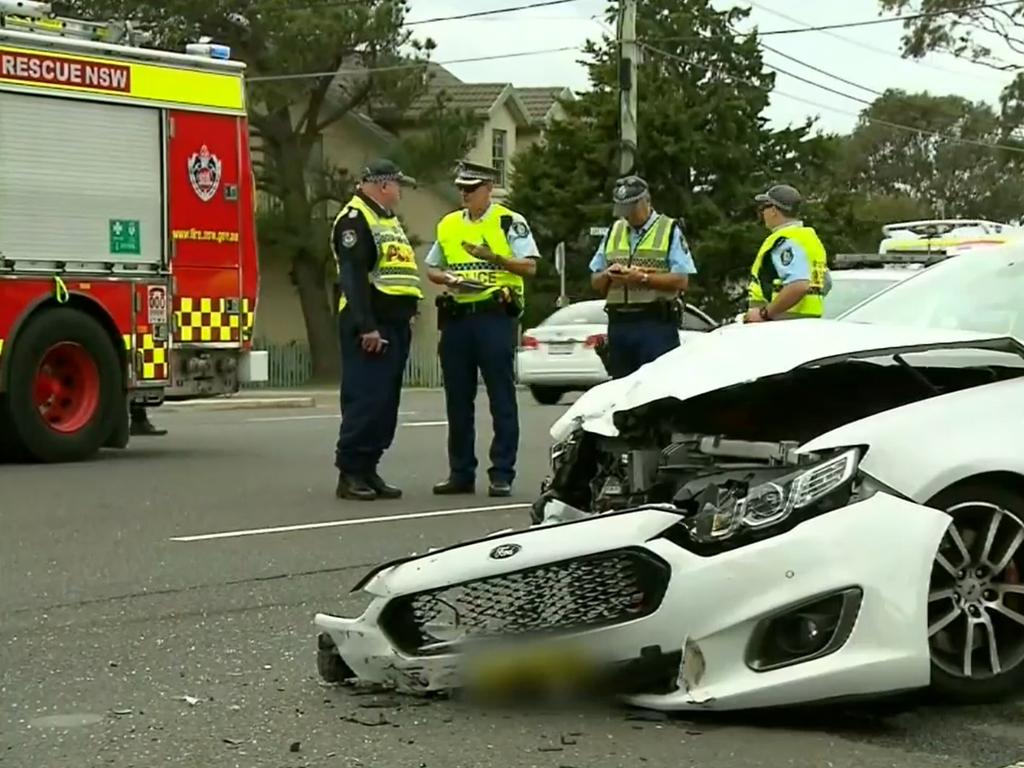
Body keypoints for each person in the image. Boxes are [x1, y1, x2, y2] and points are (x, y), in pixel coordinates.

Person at [425, 161, 539, 498]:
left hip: (495, 316)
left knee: (501, 398)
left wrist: (495, 258)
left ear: (488, 189)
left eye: (471, 189)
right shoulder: (448, 224)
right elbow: (432, 265)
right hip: (459, 316)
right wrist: (445, 277)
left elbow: (530, 266)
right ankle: (460, 472)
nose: (464, 194)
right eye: (461, 188)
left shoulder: (509, 221)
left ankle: (501, 472)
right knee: (457, 400)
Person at [331, 159, 422, 501]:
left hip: (394, 324)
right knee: (366, 398)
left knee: (386, 402)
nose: (400, 191)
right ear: (383, 185)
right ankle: (351, 471)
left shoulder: (386, 219)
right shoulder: (355, 220)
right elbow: (353, 277)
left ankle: (370, 467)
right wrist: (366, 326)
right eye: (398, 185)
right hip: (370, 326)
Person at [589, 175, 697, 378]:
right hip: (619, 324)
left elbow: (682, 280)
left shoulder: (668, 229)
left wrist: (642, 278)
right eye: (622, 210)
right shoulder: (615, 230)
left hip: (655, 323)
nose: (627, 215)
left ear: (646, 202)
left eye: (631, 208)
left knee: (657, 388)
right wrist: (607, 275)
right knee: (622, 391)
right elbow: (595, 281)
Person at [744, 184, 829, 322]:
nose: (762, 213)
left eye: (764, 207)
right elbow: (826, 283)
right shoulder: (810, 239)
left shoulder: (785, 240)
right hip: (809, 323)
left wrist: (764, 314)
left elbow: (799, 285)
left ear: (773, 210)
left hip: (780, 324)